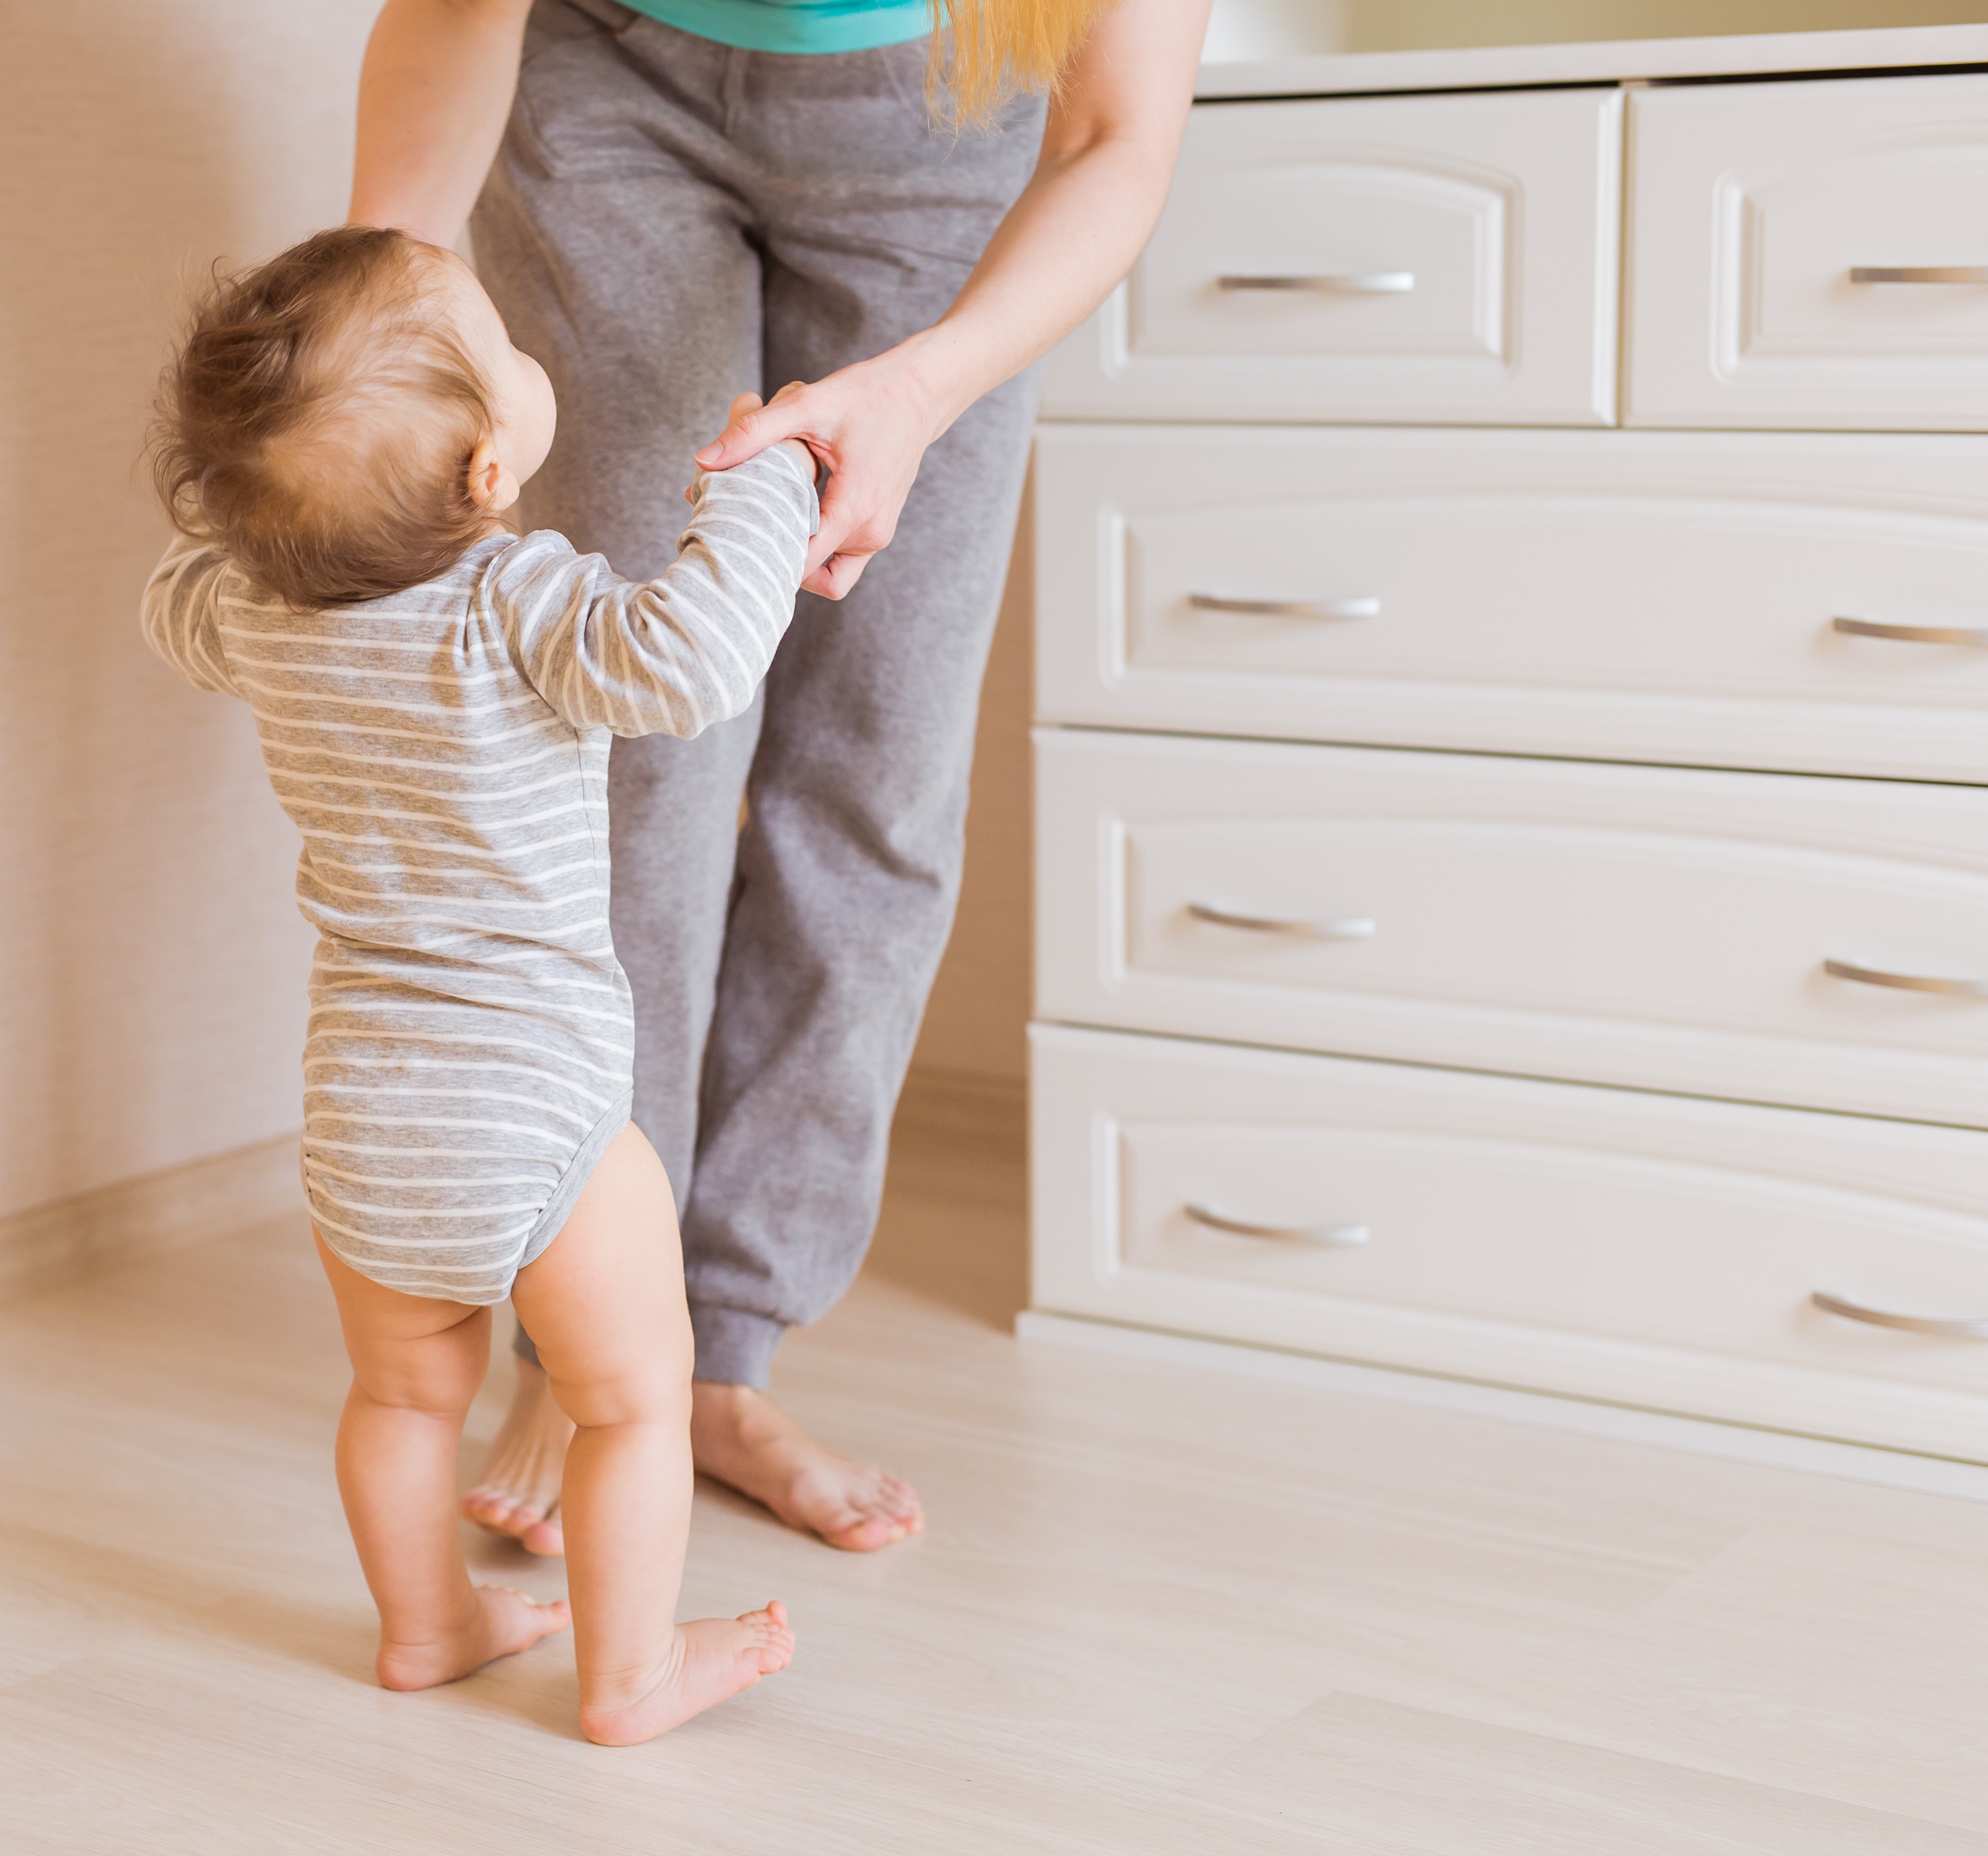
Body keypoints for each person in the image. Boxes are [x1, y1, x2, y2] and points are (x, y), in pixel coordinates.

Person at [348, 0, 1209, 1555]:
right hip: (611, 79)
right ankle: (598, 1334)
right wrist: (369, 334)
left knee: (874, 756)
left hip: (954, 116)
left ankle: (721, 1350)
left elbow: (1114, 138)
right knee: (633, 741)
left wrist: (923, 390)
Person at [141, 224, 826, 1742]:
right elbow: (687, 662)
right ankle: (630, 1673)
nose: (532, 360)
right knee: (635, 1398)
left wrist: (263, 526)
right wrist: (767, 486)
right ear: (482, 476)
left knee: (401, 1399)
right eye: (509, 350)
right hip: (543, 1111)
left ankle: (428, 1625)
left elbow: (173, 602)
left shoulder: (260, 616)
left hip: (363, 1116)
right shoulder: (514, 599)